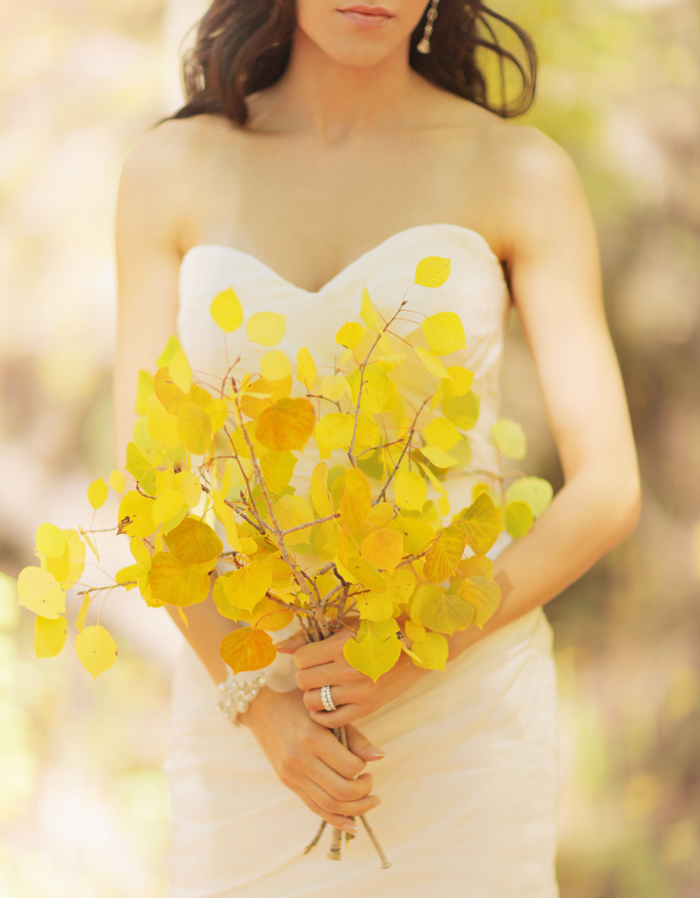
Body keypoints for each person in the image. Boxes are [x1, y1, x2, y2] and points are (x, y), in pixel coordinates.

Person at [114, 1, 641, 894]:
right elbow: (143, 492)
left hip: (462, 710)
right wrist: (261, 709)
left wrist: (410, 651)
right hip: (247, 718)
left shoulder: (518, 171)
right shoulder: (172, 168)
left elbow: (608, 490)